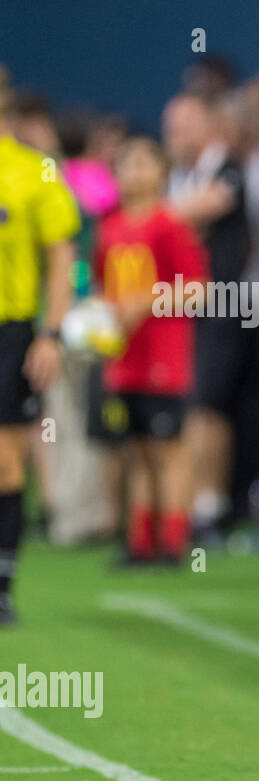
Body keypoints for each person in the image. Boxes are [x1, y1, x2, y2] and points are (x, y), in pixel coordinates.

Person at [94, 138, 209, 564]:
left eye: (145, 164)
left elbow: (198, 292)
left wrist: (149, 300)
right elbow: (104, 289)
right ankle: (139, 541)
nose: (136, 173)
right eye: (128, 164)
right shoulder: (111, 227)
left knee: (168, 450)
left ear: (162, 173)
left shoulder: (170, 225)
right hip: (123, 361)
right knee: (136, 450)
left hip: (164, 358)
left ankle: (173, 541)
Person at [0, 65, 79, 623]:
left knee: (5, 465)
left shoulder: (33, 173)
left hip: (11, 333)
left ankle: (2, 585)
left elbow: (60, 258)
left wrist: (50, 334)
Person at [163, 92, 254, 544]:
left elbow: (177, 217)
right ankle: (191, 504)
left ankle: (211, 507)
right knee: (190, 406)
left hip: (223, 305)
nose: (172, 138)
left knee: (208, 405)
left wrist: (167, 219)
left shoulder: (229, 169)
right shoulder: (183, 176)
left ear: (206, 127)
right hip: (184, 308)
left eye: (181, 127)